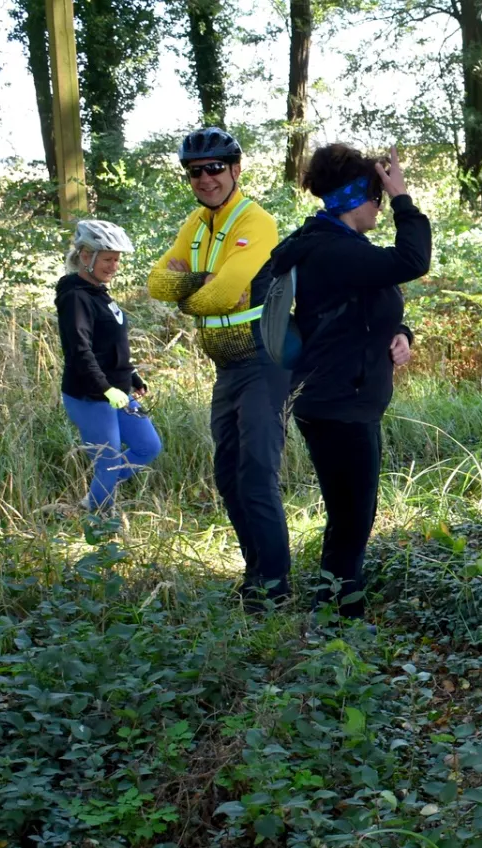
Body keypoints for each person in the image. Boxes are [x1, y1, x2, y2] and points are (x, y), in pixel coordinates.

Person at [265, 144, 430, 617]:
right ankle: (339, 623)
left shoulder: (340, 248)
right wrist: (404, 199)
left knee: (350, 515)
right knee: (352, 518)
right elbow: (412, 261)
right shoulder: (332, 250)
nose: (381, 203)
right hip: (338, 404)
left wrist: (400, 334)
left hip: (344, 398)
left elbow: (366, 308)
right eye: (377, 194)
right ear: (356, 198)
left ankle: (336, 613)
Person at [148, 127, 288, 601]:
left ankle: (275, 588)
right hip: (227, 367)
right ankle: (255, 575)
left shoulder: (256, 222)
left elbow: (224, 294)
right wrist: (204, 289)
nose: (205, 179)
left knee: (255, 475)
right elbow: (155, 283)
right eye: (195, 172)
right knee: (227, 475)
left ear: (235, 169)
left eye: (214, 169)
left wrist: (194, 291)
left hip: (264, 363)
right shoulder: (197, 223)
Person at [57, 219, 161, 512]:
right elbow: (80, 352)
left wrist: (131, 375)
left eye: (116, 260)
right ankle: (101, 527)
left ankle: (95, 496)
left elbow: (110, 344)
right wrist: (105, 388)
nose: (114, 266)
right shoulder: (75, 297)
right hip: (89, 396)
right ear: (86, 256)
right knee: (109, 460)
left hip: (116, 390)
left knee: (148, 446)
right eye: (108, 259)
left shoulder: (99, 292)